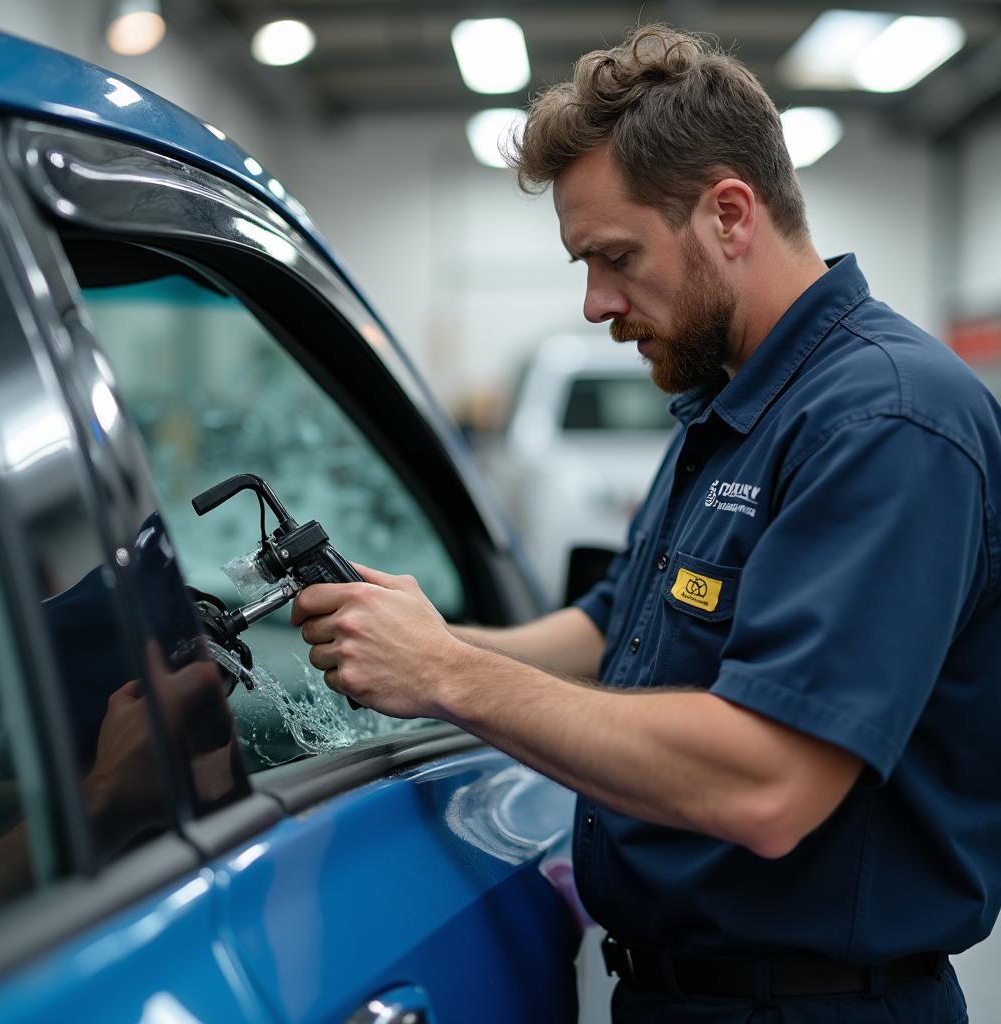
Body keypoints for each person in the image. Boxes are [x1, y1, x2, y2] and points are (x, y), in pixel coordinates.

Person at [291, 23, 1001, 1023]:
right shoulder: (728, 401)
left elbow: (770, 780)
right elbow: (608, 631)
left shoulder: (886, 420)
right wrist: (413, 636)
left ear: (728, 213)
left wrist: (446, 677)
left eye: (615, 257)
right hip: (675, 991)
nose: (593, 304)